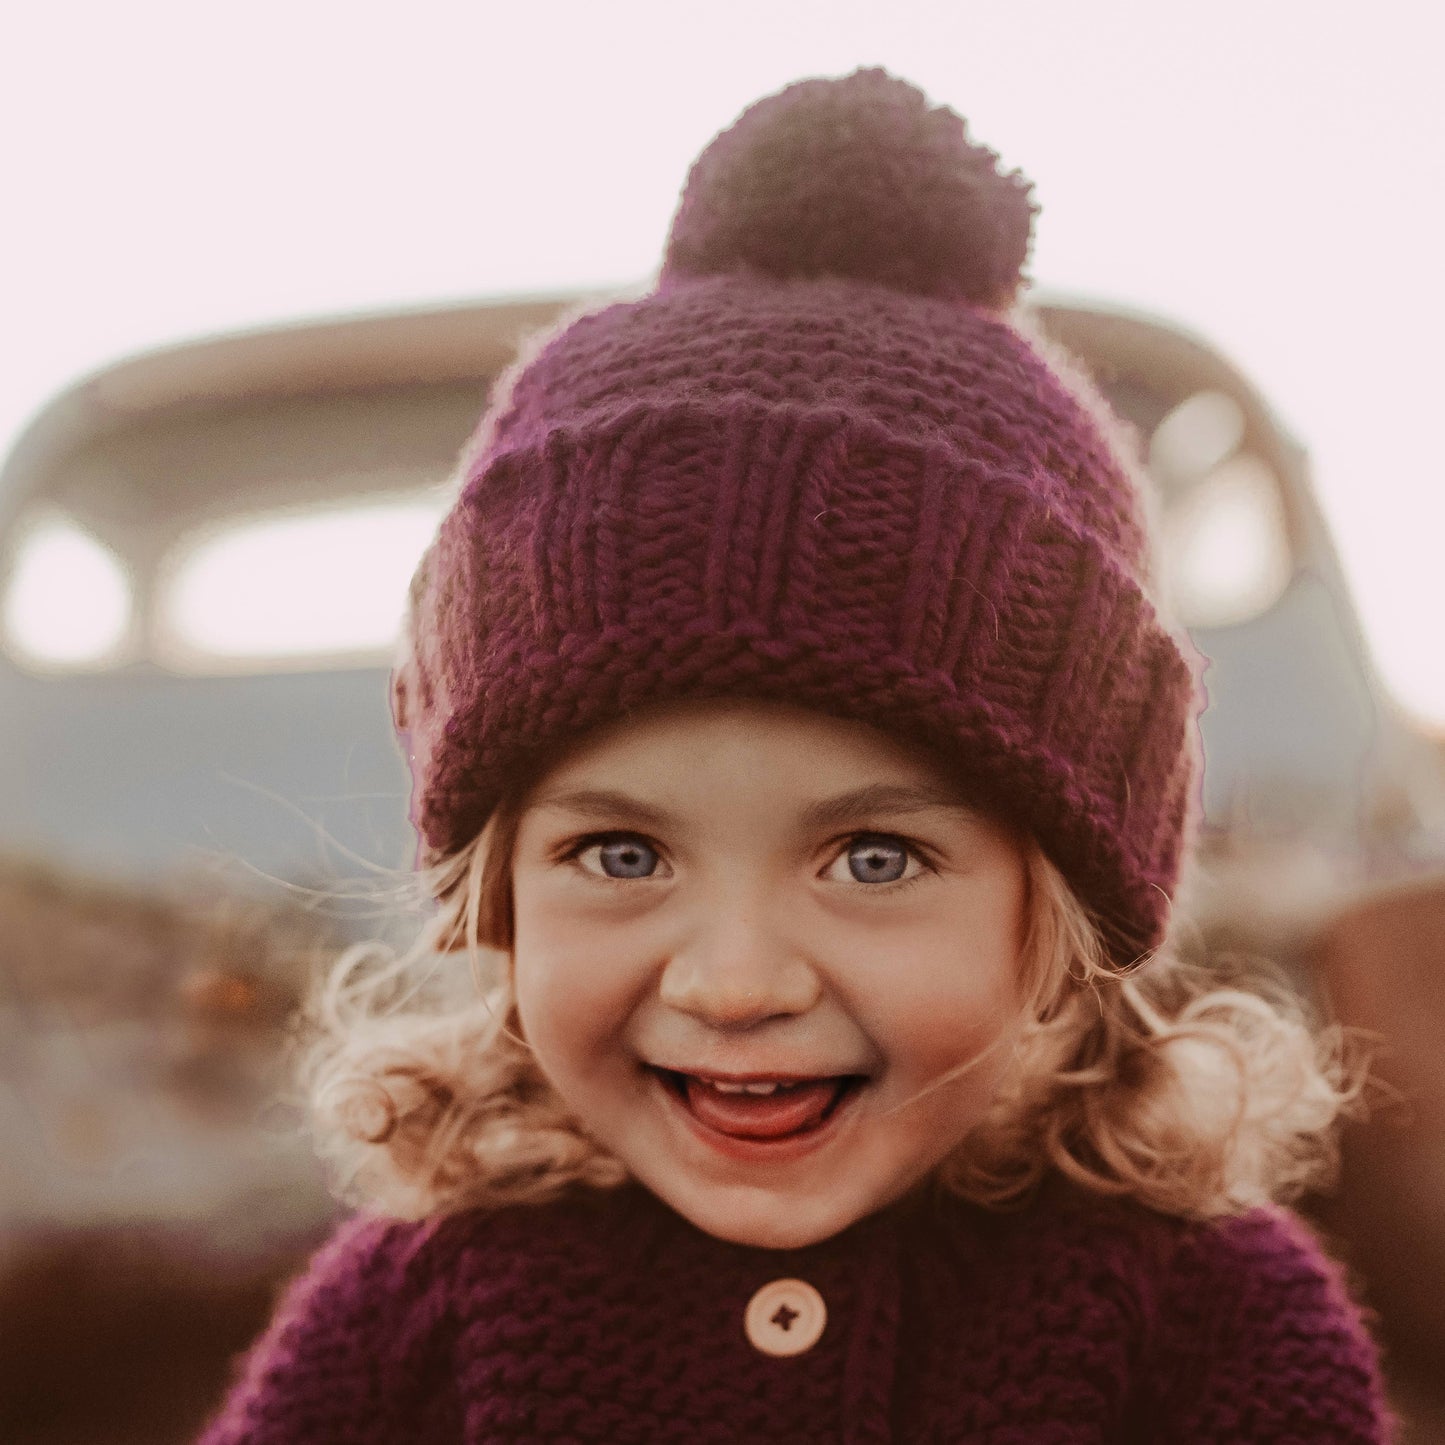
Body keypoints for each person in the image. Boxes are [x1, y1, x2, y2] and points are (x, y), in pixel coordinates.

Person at [196, 68, 1392, 1443]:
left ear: (1056, 906)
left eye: (872, 856)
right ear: (499, 896)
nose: (735, 979)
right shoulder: (417, 1309)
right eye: (621, 852)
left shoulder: (1209, 1319)